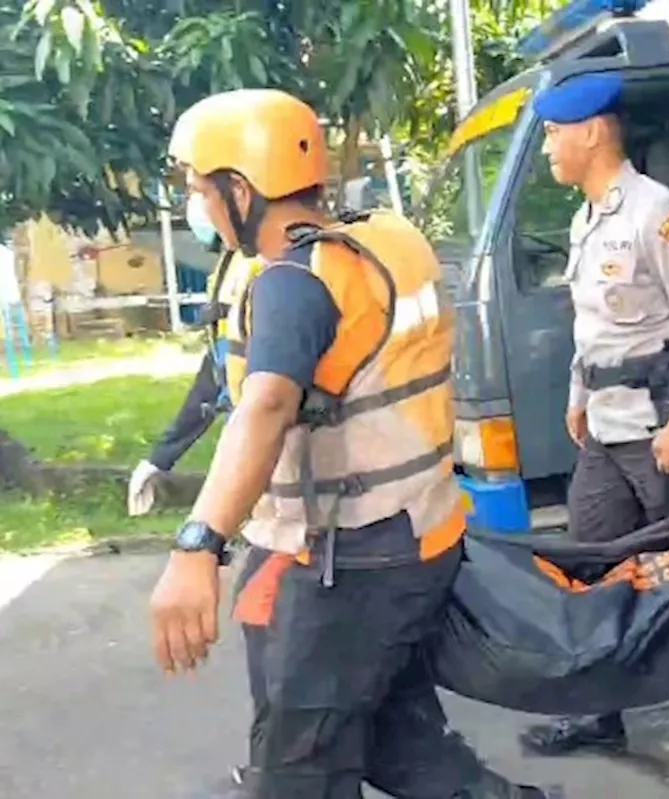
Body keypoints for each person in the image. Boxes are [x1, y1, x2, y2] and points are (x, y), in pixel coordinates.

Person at [147, 88, 555, 799]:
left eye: (200, 190)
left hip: (354, 560)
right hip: (416, 536)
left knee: (299, 764)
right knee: (397, 743)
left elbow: (266, 404)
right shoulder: (383, 241)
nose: (199, 208)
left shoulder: (296, 283)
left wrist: (198, 546)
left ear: (241, 189)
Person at [512, 72, 669, 760]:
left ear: (592, 131)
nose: (551, 147)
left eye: (557, 133)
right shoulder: (586, 217)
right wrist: (576, 394)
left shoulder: (658, 212)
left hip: (658, 427)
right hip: (606, 428)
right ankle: (598, 709)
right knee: (592, 568)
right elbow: (591, 325)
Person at [127, 217, 263, 516]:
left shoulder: (268, 266)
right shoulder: (233, 265)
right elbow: (213, 379)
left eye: (200, 190)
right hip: (250, 450)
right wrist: (160, 459)